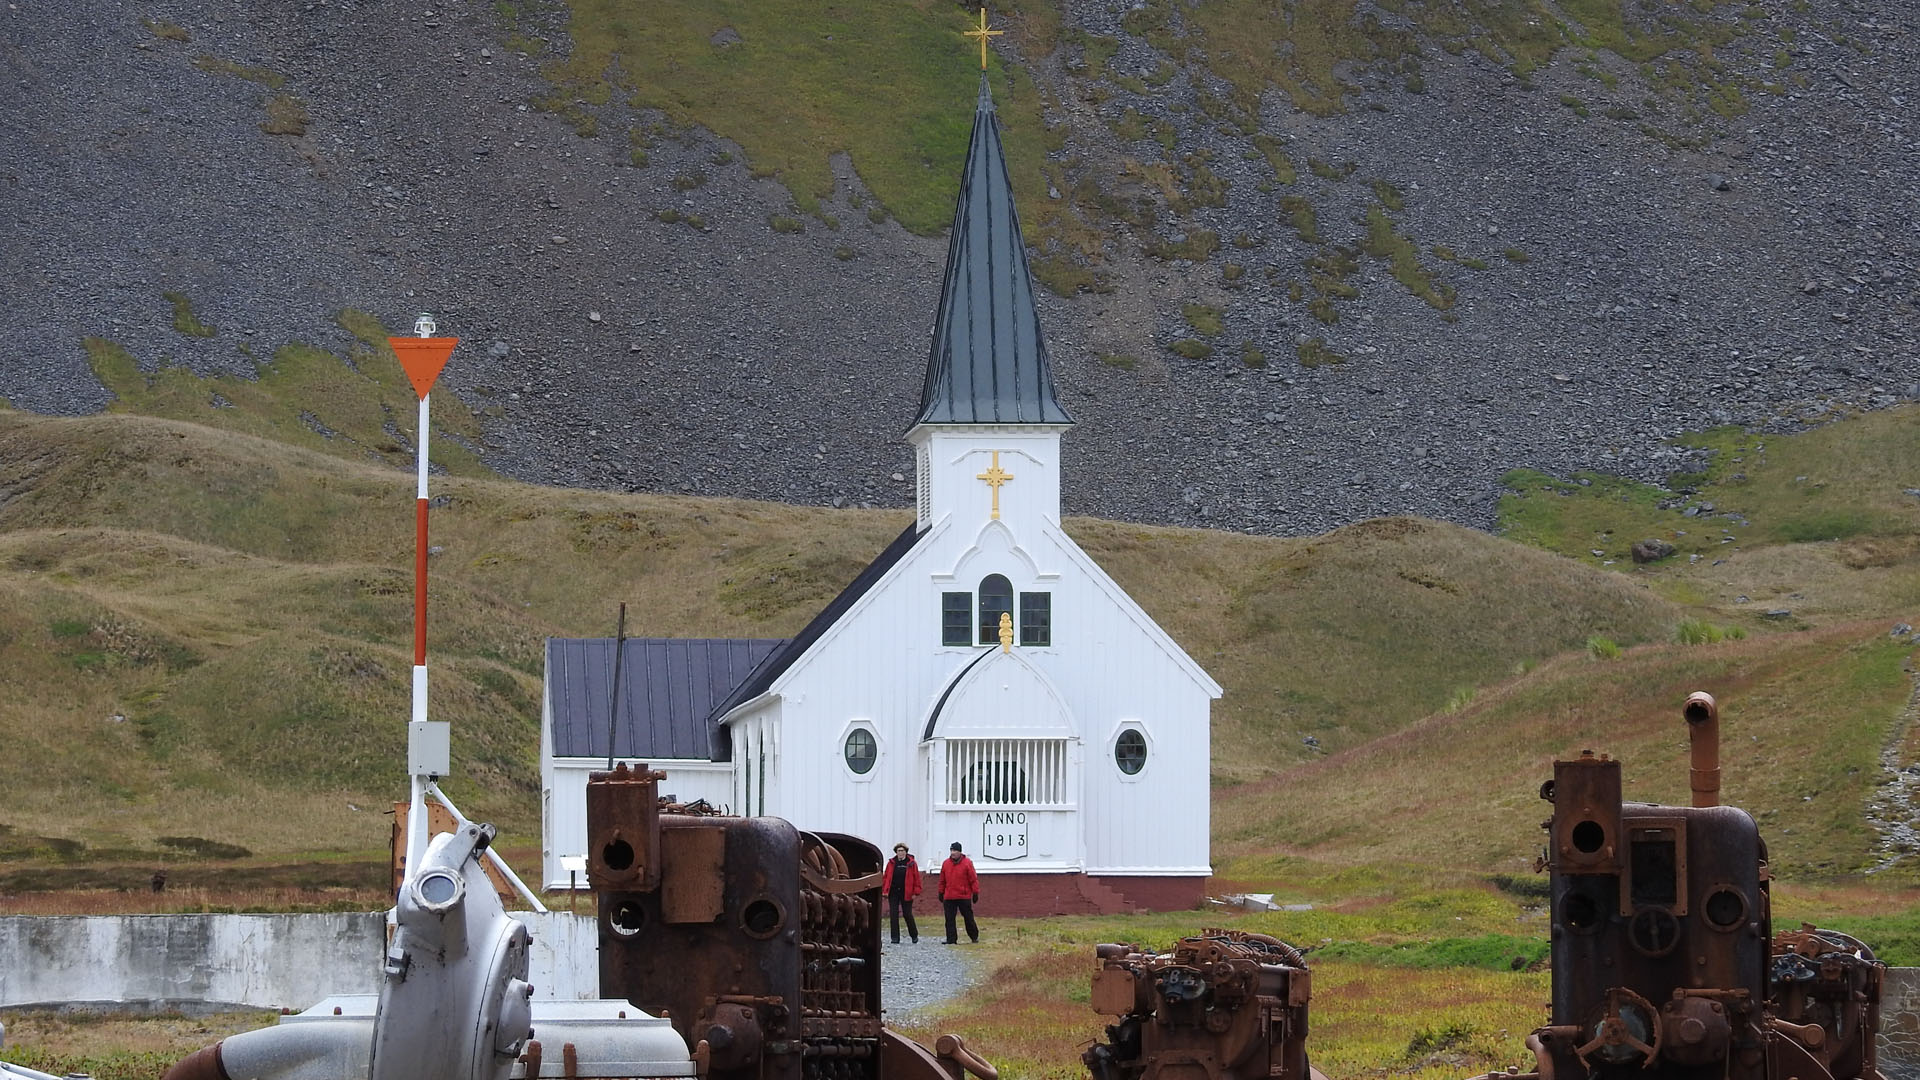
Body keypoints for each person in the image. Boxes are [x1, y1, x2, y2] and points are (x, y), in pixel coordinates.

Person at [937, 841, 979, 944]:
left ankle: (974, 936)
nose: (953, 853)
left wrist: (975, 892)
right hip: (949, 896)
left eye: (955, 850)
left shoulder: (967, 863)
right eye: (951, 850)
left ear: (960, 852)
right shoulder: (946, 863)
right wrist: (941, 892)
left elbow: (973, 879)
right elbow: (942, 880)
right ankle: (951, 939)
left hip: (963, 896)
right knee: (949, 919)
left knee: (968, 918)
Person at [882, 843, 921, 944]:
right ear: (896, 852)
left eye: (902, 851)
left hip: (907, 892)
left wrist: (916, 892)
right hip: (893, 892)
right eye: (899, 851)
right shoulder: (891, 863)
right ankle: (895, 938)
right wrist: (885, 890)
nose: (900, 853)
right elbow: (886, 877)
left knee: (907, 914)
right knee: (893, 915)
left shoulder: (911, 863)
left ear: (906, 852)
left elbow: (916, 878)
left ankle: (914, 935)